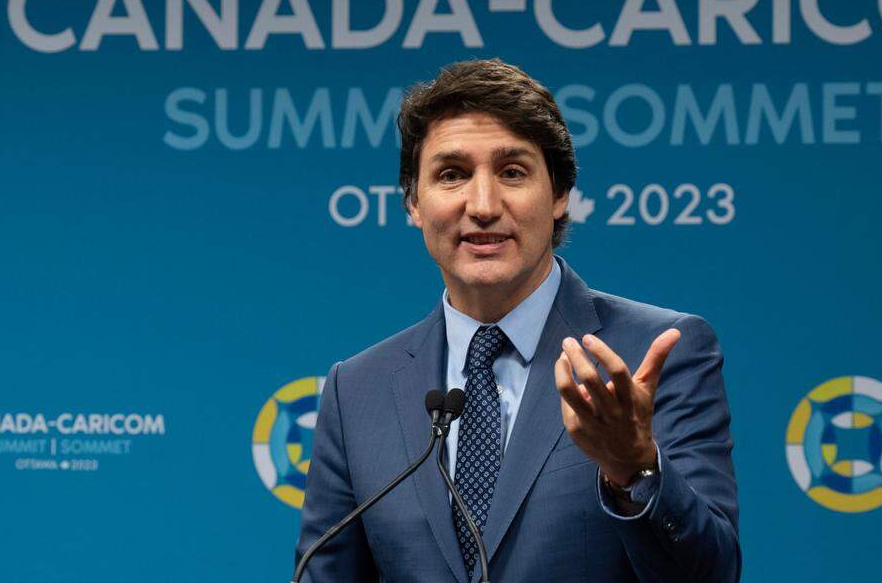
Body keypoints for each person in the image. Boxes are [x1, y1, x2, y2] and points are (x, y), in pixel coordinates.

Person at [296, 59, 740, 583]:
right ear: (414, 203)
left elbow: (712, 575)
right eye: (452, 175)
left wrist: (635, 468)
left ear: (558, 195)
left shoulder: (655, 352)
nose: (482, 206)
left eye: (512, 171)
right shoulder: (358, 390)